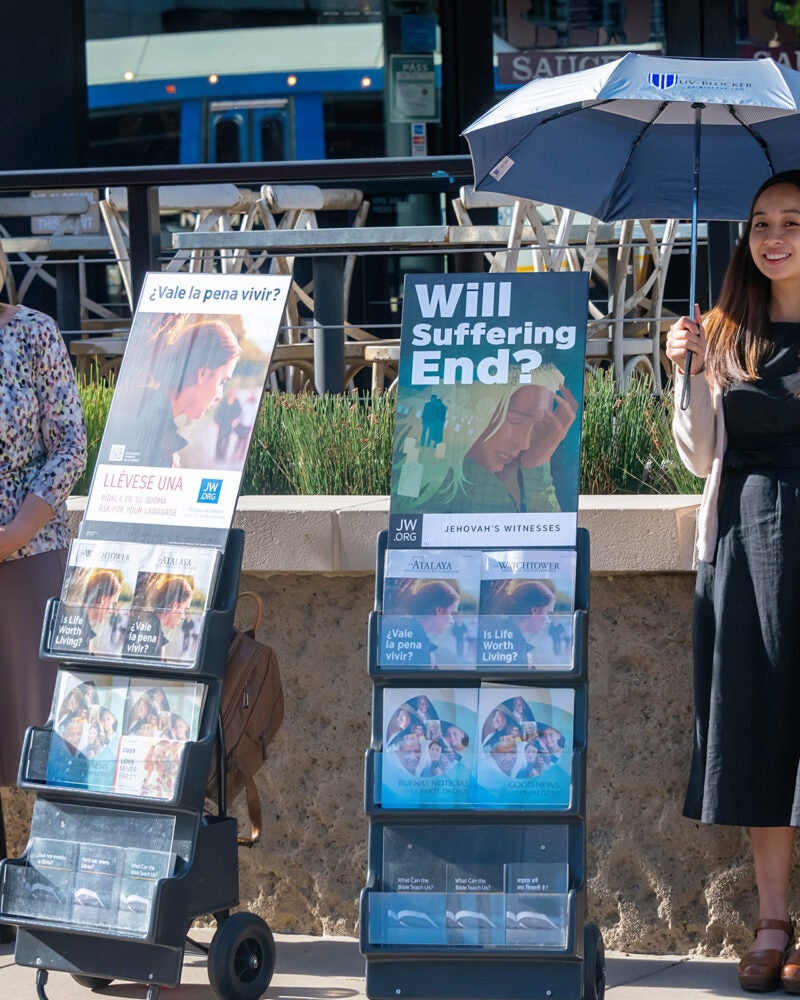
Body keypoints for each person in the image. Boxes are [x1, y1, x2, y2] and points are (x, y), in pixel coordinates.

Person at [666, 170, 800, 994]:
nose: (773, 235)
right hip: (749, 548)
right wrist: (684, 371)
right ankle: (773, 920)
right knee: (757, 731)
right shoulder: (722, 330)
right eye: (760, 222)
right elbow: (700, 455)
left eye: (791, 220)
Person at [0, 272, 87, 882]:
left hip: (30, 556)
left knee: (47, 728)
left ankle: (63, 885)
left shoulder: (34, 334)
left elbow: (69, 448)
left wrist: (12, 535)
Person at [392, 368, 577, 516]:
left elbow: (549, 546)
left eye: (538, 428)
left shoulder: (511, 475)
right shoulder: (420, 466)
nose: (525, 444)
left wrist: (535, 464)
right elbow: (407, 528)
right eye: (515, 421)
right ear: (478, 409)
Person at [101, 315, 242, 468]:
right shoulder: (157, 442)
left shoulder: (143, 407)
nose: (219, 396)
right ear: (202, 374)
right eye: (222, 381)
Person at [213, 382, 242, 460]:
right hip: (222, 422)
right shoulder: (224, 399)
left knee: (227, 439)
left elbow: (239, 411)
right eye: (232, 391)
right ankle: (217, 455)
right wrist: (216, 420)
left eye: (234, 391)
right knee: (219, 439)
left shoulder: (236, 401)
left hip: (229, 423)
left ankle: (223, 456)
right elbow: (218, 410)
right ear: (230, 391)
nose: (233, 392)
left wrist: (233, 418)